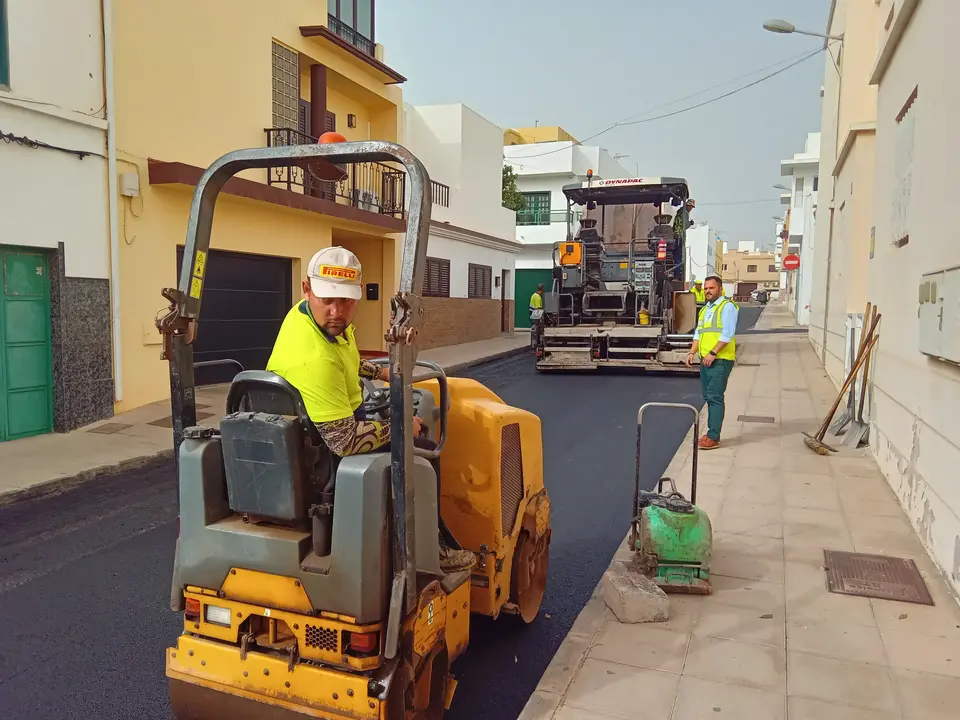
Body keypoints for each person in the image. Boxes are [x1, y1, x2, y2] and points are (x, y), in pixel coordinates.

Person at [266, 246, 475, 571]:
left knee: (402, 417)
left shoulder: (307, 317)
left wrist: (376, 372)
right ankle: (431, 549)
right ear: (306, 288)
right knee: (425, 450)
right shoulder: (315, 359)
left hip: (316, 425)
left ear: (358, 295)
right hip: (323, 450)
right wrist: (403, 426)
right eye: (328, 300)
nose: (337, 311)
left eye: (346, 301)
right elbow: (345, 442)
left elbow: (342, 355)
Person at [685, 275, 739, 450]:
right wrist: (692, 352)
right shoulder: (705, 310)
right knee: (708, 396)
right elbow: (699, 334)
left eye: (711, 288)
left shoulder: (727, 307)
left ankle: (713, 436)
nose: (708, 291)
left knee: (715, 397)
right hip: (705, 359)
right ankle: (710, 432)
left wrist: (713, 353)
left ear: (720, 289)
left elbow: (727, 333)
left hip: (720, 360)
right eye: (706, 288)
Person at [529, 283, 545, 349]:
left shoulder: (533, 295)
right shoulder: (538, 297)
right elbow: (538, 308)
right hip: (536, 315)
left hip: (532, 314)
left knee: (534, 329)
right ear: (542, 289)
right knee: (538, 329)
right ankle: (537, 343)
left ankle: (533, 344)